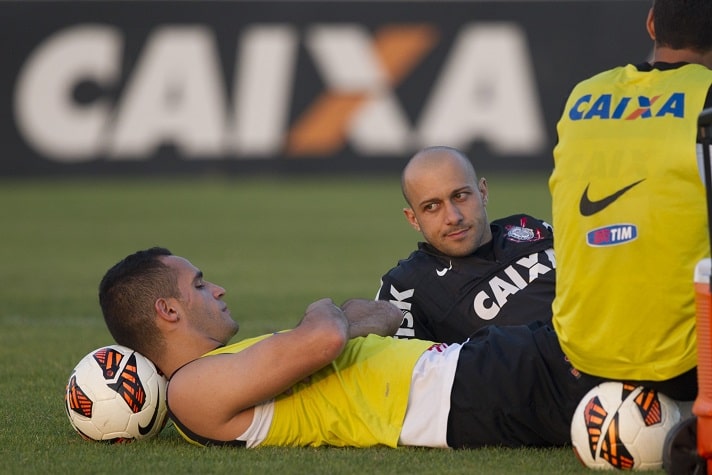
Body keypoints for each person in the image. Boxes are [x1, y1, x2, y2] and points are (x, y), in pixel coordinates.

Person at [99, 247, 602, 449]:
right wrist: (328, 308)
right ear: (168, 311)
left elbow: (351, 329)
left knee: (621, 348)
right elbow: (325, 337)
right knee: (621, 351)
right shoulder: (190, 389)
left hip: (468, 371)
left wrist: (345, 324)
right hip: (464, 391)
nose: (218, 290)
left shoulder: (221, 369)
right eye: (201, 284)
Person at [549, 0, 712, 402]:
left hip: (583, 358)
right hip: (686, 366)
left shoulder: (583, 95)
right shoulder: (706, 99)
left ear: (652, 23)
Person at [376, 146, 555, 343]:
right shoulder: (408, 287)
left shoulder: (528, 227)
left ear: (483, 192)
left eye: (460, 196)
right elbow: (402, 368)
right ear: (413, 219)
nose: (453, 217)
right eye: (432, 207)